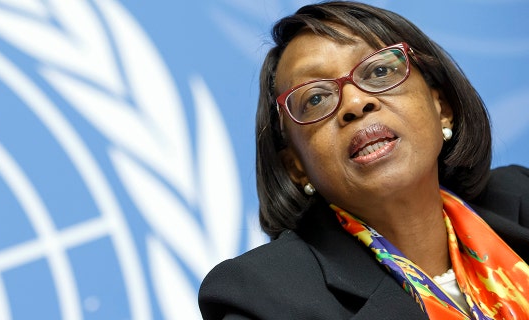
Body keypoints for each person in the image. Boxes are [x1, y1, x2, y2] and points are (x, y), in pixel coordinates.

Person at [198, 1, 529, 319]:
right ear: (296, 167)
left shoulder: (521, 195)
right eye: (315, 98)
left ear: (441, 107)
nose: (355, 103)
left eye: (380, 70)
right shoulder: (265, 298)